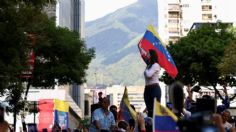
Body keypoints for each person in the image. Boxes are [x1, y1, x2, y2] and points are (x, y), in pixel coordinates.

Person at [143, 49, 161, 117]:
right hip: (147, 88)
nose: (146, 55)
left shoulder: (156, 65)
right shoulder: (149, 65)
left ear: (151, 55)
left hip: (154, 88)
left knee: (155, 110)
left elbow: (148, 75)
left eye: (148, 54)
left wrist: (145, 71)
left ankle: (155, 125)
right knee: (149, 109)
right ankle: (150, 123)